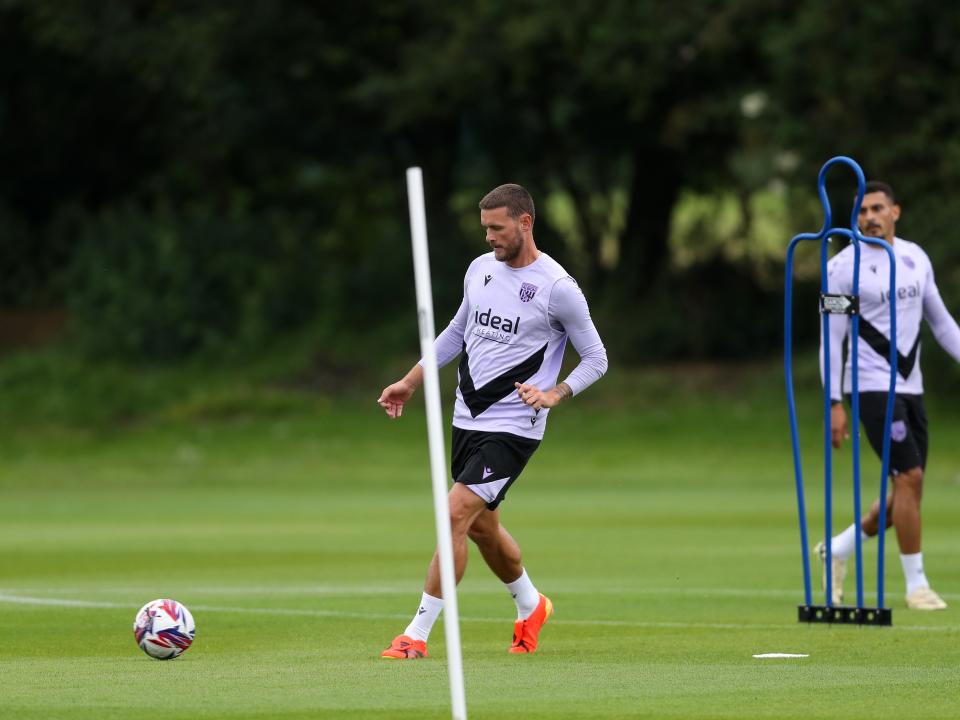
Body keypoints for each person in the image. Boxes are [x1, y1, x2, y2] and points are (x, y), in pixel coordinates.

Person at [376, 183, 608, 658]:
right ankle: (531, 604)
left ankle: (415, 637)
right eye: (485, 229)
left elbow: (596, 358)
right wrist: (410, 381)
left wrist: (555, 393)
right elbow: (457, 332)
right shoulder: (480, 270)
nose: (489, 238)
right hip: (467, 419)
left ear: (526, 223)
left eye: (497, 228)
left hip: (514, 427)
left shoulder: (558, 289)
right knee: (481, 528)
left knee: (453, 514)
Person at [817, 180, 960, 610]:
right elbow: (833, 338)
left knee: (906, 490)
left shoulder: (916, 258)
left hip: (911, 386)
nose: (869, 218)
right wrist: (835, 402)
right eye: (861, 211)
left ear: (895, 212)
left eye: (877, 209)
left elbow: (942, 324)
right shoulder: (843, 268)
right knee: (910, 478)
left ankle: (837, 549)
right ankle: (917, 585)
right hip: (871, 386)